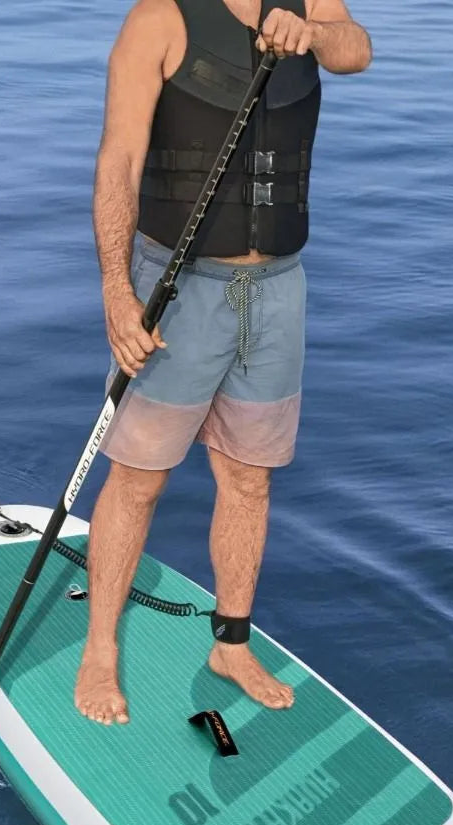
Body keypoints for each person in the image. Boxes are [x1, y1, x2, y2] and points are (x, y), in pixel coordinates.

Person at [76, 0, 373, 725]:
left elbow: (356, 50)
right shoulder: (159, 17)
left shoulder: (310, 5)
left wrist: (315, 33)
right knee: (139, 478)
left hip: (278, 289)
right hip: (178, 287)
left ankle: (231, 645)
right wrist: (116, 292)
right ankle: (100, 650)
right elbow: (118, 161)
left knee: (249, 478)